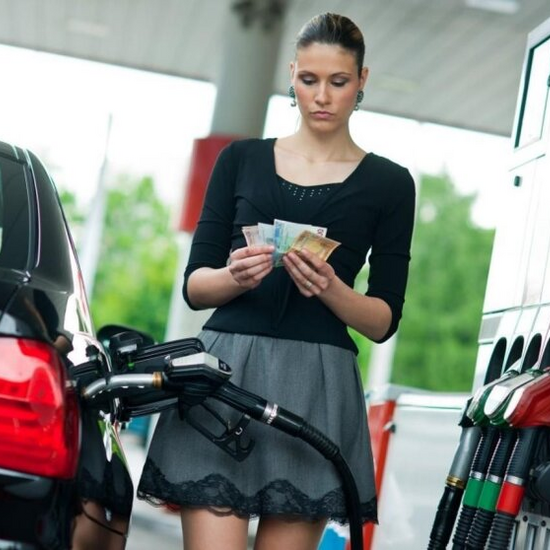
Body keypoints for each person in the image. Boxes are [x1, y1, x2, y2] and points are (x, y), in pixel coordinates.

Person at [138, 12, 415, 550]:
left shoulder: (390, 183)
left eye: (338, 82)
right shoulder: (241, 159)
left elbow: (384, 320)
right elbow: (196, 287)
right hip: (225, 376)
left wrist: (332, 289)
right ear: (291, 74)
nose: (322, 96)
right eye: (309, 80)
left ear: (362, 81)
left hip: (316, 384)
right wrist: (235, 277)